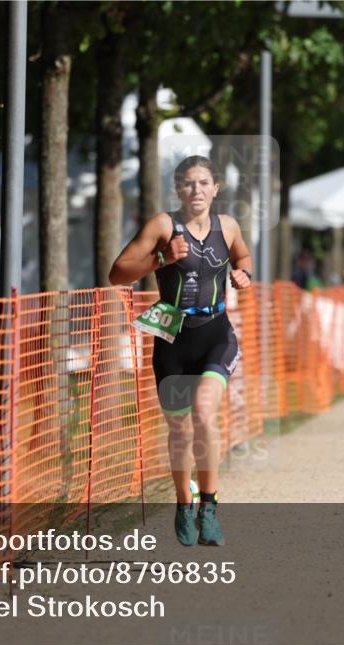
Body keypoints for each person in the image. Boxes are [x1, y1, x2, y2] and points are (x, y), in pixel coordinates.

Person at [108, 155, 253, 547]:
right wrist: (161, 258)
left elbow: (242, 255)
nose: (197, 191)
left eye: (204, 183)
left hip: (216, 334)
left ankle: (210, 507)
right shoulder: (161, 225)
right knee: (180, 430)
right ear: (178, 189)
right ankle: (183, 503)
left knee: (205, 413)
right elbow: (117, 272)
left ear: (216, 188)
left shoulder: (229, 226)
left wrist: (245, 274)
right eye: (189, 184)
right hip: (171, 337)